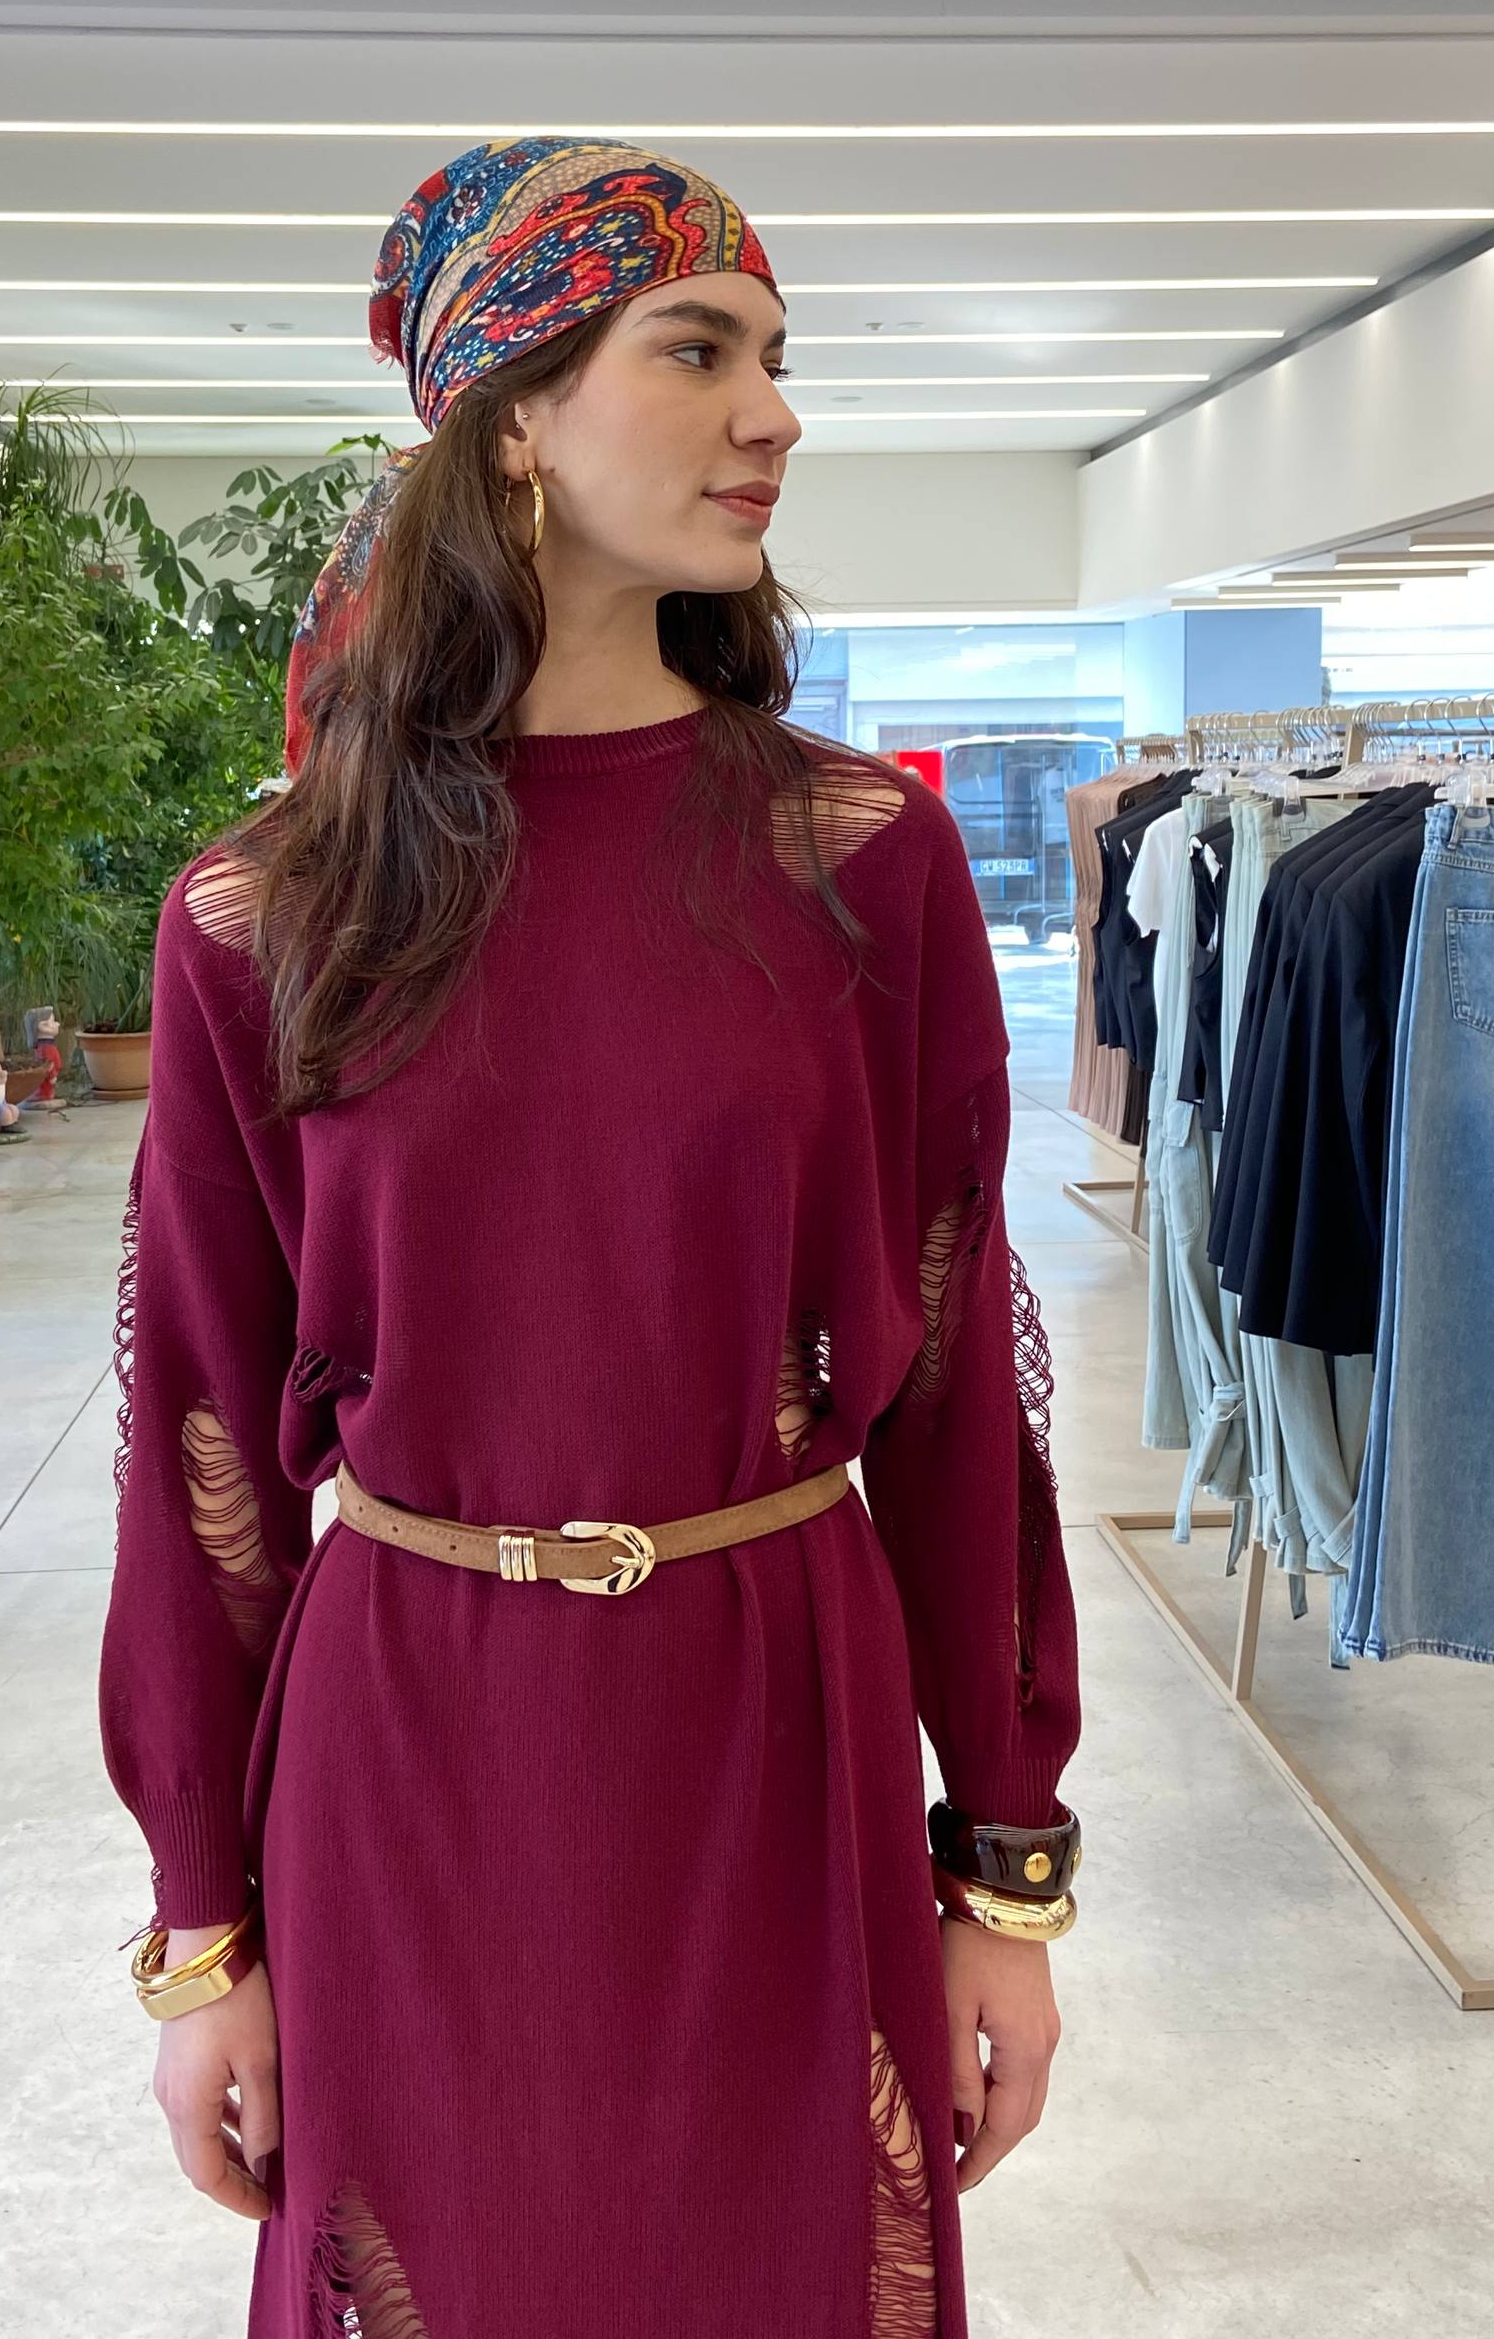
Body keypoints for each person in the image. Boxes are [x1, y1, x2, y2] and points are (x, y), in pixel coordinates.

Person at [98, 135, 1082, 2339]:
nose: (776, 413)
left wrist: (1005, 1865)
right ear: (517, 415)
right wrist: (202, 1928)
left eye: (778, 358)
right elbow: (202, 1447)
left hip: (778, 1726)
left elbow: (951, 1401)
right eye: (699, 349)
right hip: (413, 1752)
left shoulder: (863, 862)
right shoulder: (269, 910)